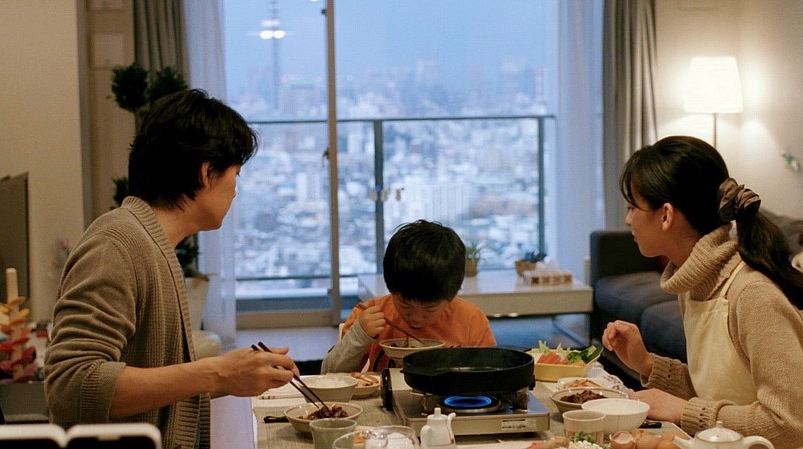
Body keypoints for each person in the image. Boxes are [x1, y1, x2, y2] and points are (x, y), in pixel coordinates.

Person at [44, 89, 298, 448]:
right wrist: (218, 372)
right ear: (207, 173)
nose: (236, 191)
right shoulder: (116, 243)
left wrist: (233, 377)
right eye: (236, 175)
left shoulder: (150, 243)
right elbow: (70, 385)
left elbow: (157, 387)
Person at [601, 136, 803, 449]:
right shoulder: (692, 285)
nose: (627, 219)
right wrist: (646, 364)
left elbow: (794, 423)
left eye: (633, 207)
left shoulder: (753, 295)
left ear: (666, 215)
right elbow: (719, 394)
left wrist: (682, 411)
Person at [321, 219, 496, 373]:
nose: (417, 318)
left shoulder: (470, 320)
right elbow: (328, 375)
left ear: (451, 296)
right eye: (405, 304)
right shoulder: (370, 314)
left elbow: (491, 376)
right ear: (391, 288)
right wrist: (359, 335)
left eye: (430, 308)